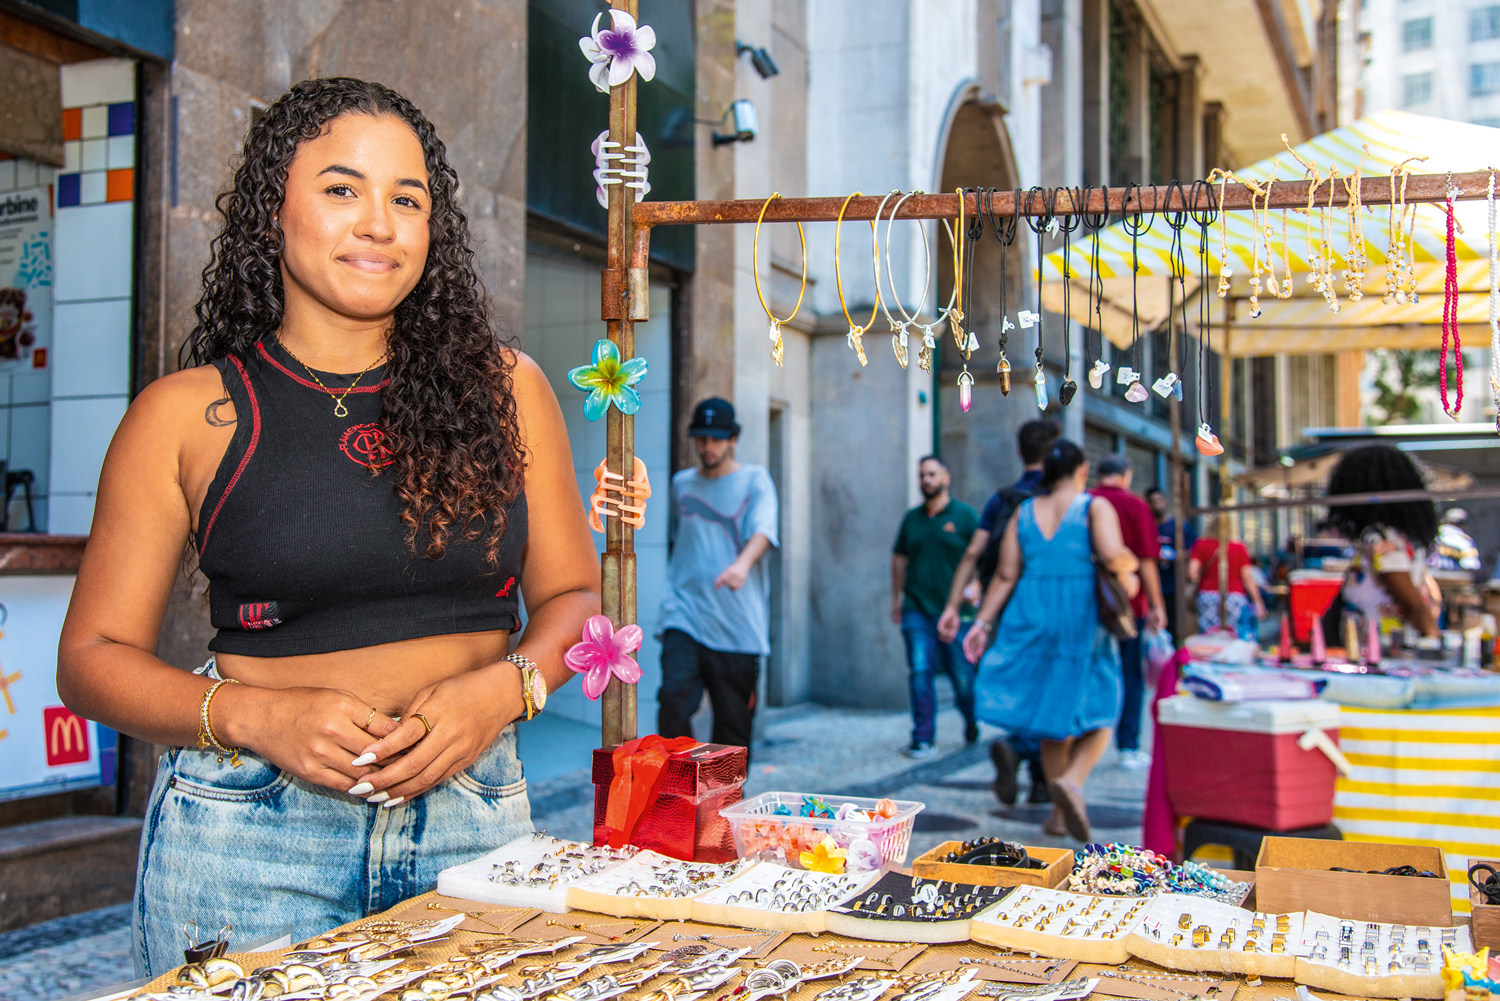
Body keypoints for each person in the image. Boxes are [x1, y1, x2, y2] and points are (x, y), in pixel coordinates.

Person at [54, 79, 601, 975]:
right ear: (275, 207)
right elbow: (91, 658)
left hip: (473, 820)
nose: (379, 223)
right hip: (248, 836)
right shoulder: (187, 414)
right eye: (342, 189)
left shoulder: (507, 389)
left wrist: (502, 691)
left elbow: (575, 596)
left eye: (407, 199)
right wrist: (260, 717)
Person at [962, 441, 1140, 842]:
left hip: (1032, 614)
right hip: (1080, 618)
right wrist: (1132, 570)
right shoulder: (1093, 506)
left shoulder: (1024, 512)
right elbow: (1113, 555)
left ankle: (1059, 817)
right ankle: (1073, 782)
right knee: (1105, 707)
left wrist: (982, 623)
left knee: (1051, 723)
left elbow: (1006, 575)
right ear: (1082, 470)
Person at [937, 419, 1060, 806]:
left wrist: (953, 606)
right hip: (1050, 605)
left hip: (1003, 607)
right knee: (1050, 688)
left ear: (1020, 453)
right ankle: (1028, 757)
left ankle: (1031, 766)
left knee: (1023, 685)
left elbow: (973, 552)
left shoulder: (1003, 499)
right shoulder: (1060, 497)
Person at [657, 397, 779, 754]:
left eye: (715, 439)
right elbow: (678, 538)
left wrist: (741, 565)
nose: (707, 447)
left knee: (733, 728)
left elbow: (765, 532)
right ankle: (680, 792)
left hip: (737, 624)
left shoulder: (755, 480)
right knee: (673, 700)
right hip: (685, 611)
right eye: (701, 438)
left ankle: (728, 806)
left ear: (733, 438)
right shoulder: (681, 484)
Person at [891, 456, 980, 758]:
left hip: (957, 613)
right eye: (921, 475)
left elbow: (981, 555)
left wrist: (978, 585)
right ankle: (923, 737)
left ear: (946, 477)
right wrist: (897, 598)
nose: (926, 480)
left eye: (931, 474)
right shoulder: (912, 519)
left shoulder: (965, 516)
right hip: (917, 608)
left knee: (963, 678)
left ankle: (970, 719)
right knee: (920, 670)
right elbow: (899, 559)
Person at [1089, 455, 1165, 769]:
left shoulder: (1085, 502)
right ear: (1126, 475)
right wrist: (1157, 605)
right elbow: (1146, 560)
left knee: (1089, 672)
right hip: (1127, 609)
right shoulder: (1135, 506)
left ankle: (1083, 741)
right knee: (1131, 675)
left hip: (1088, 605)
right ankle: (1128, 746)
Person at [1325, 443, 1439, 636]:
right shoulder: (1399, 537)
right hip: (1383, 651)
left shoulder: (1381, 538)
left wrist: (1435, 641)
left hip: (1382, 653)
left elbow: (1413, 605)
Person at [1187, 522, 1266, 638]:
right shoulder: (1238, 547)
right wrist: (1258, 602)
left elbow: (1192, 572)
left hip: (1208, 596)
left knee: (1209, 636)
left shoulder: (1201, 545)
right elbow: (1247, 578)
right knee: (1234, 636)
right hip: (1235, 597)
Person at [1145, 486, 1196, 641]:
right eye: (1154, 502)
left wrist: (1176, 558)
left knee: (1174, 627)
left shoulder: (1179, 527)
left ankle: (1174, 659)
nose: (1158, 504)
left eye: (1160, 500)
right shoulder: (1148, 527)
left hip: (1174, 586)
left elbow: (1193, 552)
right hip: (1152, 586)